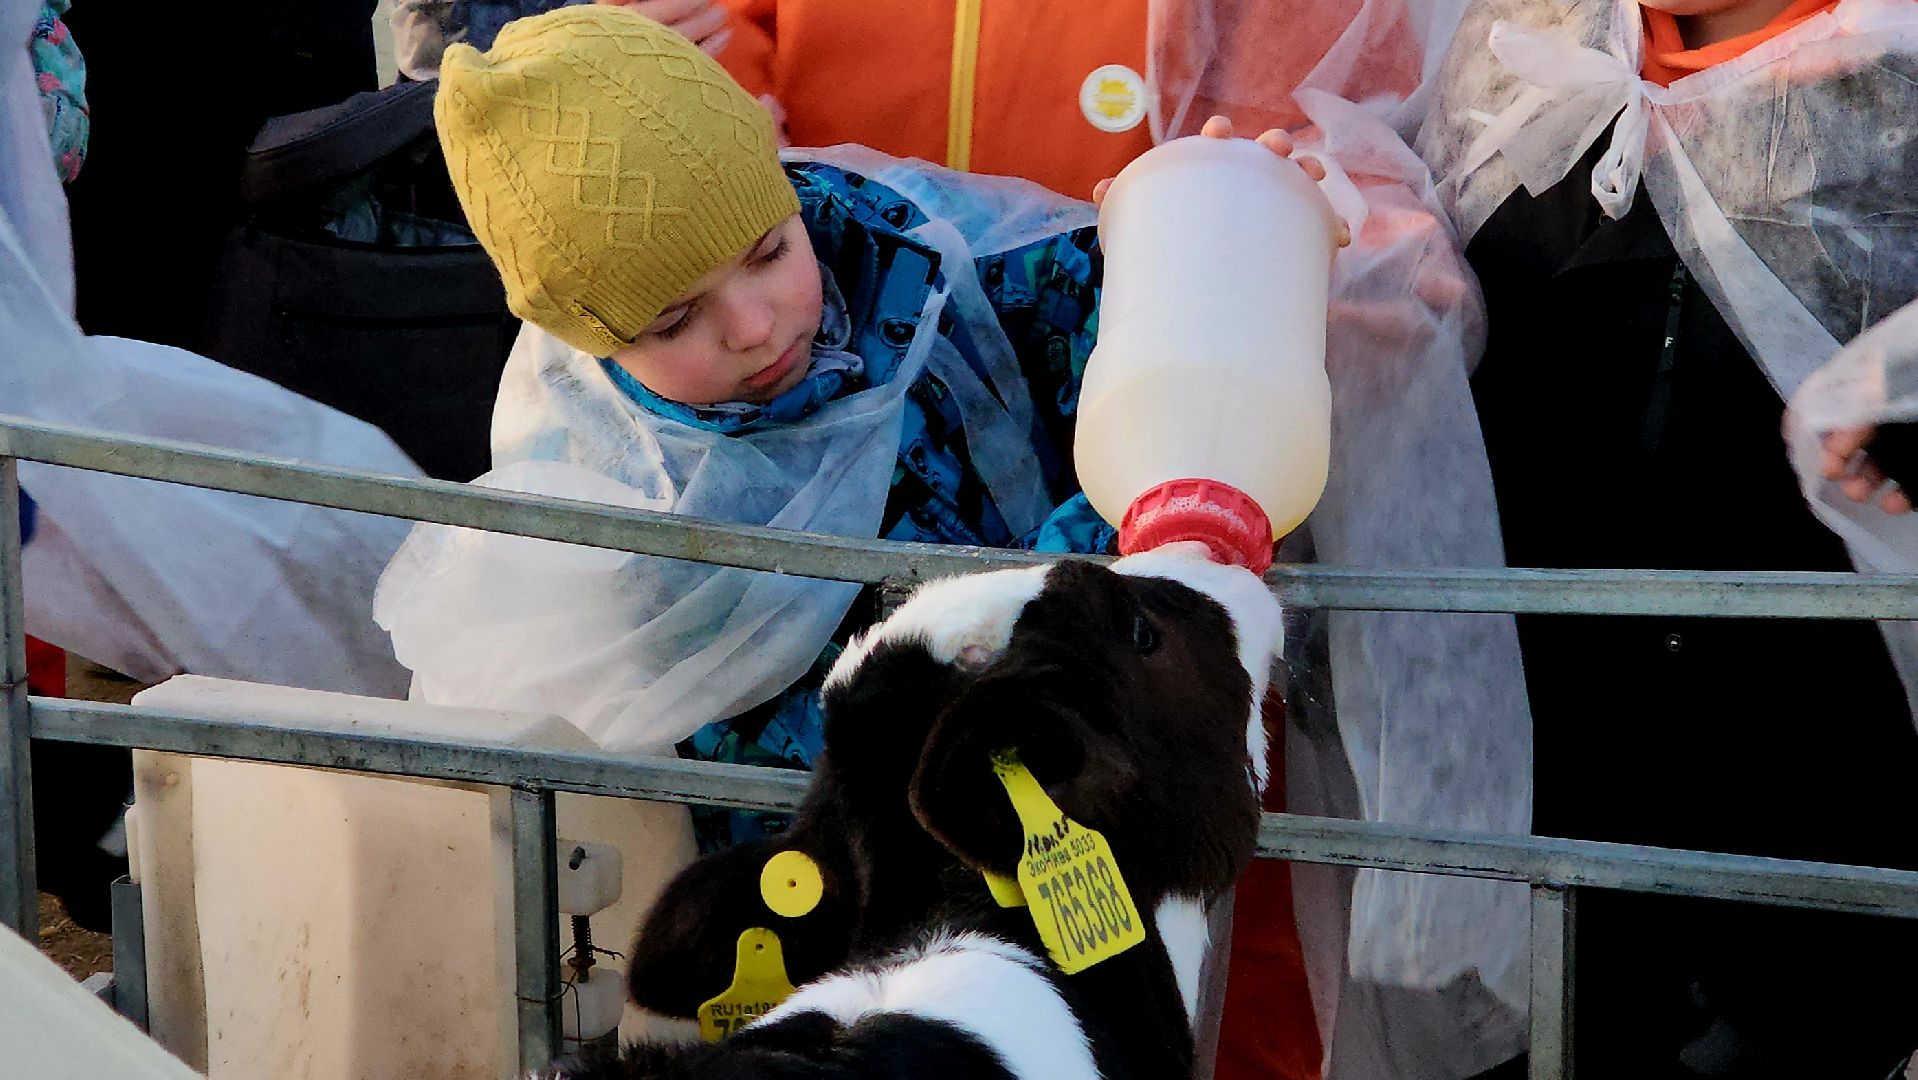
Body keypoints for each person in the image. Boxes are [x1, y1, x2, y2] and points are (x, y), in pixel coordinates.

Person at [1399, 0, 1918, 1075]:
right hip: (1547, 806)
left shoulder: (1897, 86)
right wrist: (1290, 214)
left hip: (1824, 817)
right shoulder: (1514, 56)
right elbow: (1413, 290)